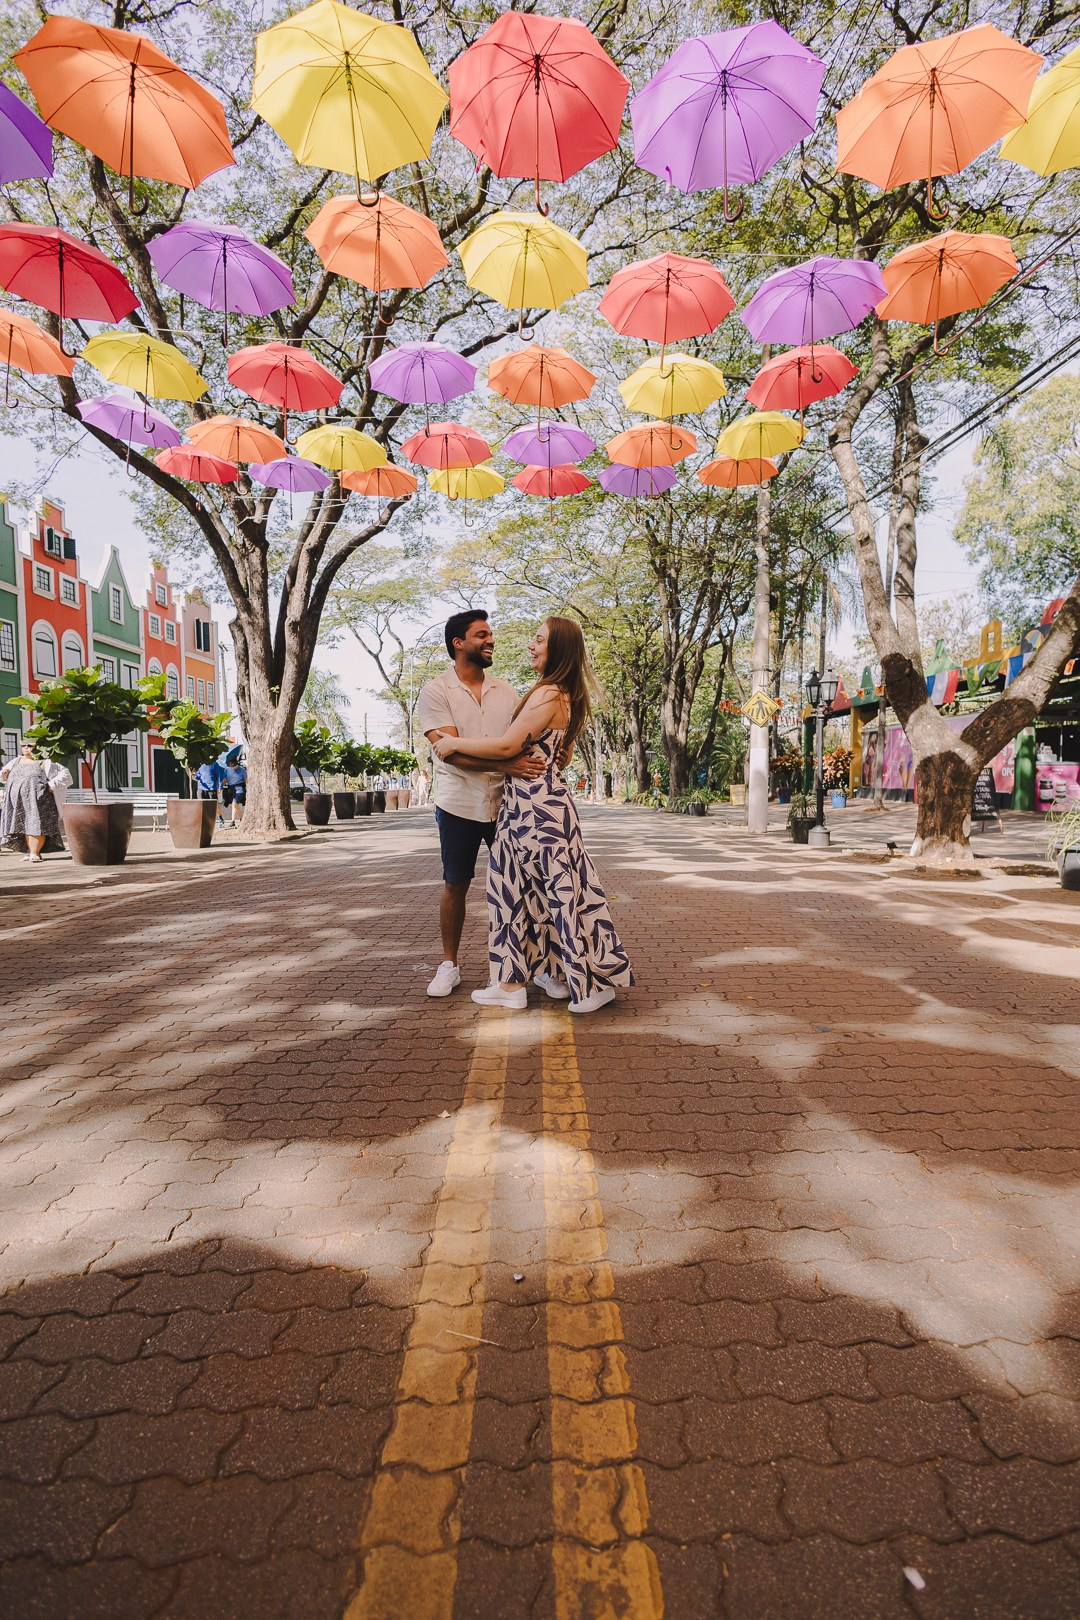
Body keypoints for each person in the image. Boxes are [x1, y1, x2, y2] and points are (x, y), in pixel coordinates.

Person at [431, 616, 633, 1015]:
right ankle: (513, 984)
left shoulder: (550, 693)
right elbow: (558, 747)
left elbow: (508, 746)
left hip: (537, 809)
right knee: (519, 893)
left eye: (539, 640)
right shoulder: (551, 692)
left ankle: (587, 984)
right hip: (525, 806)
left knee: (557, 894)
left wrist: (451, 743)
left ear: (557, 649)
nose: (530, 645)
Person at [416, 609, 545, 998]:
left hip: (508, 802)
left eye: (491, 635)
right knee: (456, 884)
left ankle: (530, 967)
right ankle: (449, 965)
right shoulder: (435, 691)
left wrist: (517, 762)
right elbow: (449, 753)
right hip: (458, 803)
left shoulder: (506, 691)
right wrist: (508, 763)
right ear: (459, 643)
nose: (491, 641)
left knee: (522, 885)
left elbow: (522, 740)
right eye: (482, 635)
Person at [0, 741, 70, 862]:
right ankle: (30, 851)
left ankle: (35, 852)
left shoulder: (46, 762)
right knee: (23, 826)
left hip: (38, 800)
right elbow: (3, 777)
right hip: (17, 803)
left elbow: (66, 775)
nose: (26, 748)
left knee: (36, 825)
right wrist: (4, 774)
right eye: (24, 746)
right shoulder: (16, 761)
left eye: (30, 746)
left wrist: (51, 785)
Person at [195, 757, 226, 826]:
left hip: (212, 788)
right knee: (201, 804)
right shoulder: (201, 765)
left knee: (214, 805)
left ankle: (220, 819)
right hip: (202, 787)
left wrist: (220, 787)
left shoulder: (215, 764)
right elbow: (198, 775)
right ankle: (203, 820)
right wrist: (195, 776)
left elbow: (219, 776)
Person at [222, 748, 247, 829]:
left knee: (234, 804)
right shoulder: (227, 770)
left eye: (235, 766)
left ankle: (232, 821)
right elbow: (225, 779)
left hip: (240, 788)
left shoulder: (242, 770)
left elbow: (246, 780)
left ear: (237, 764)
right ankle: (242, 819)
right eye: (232, 766)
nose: (233, 767)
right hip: (231, 789)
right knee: (236, 806)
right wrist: (221, 786)